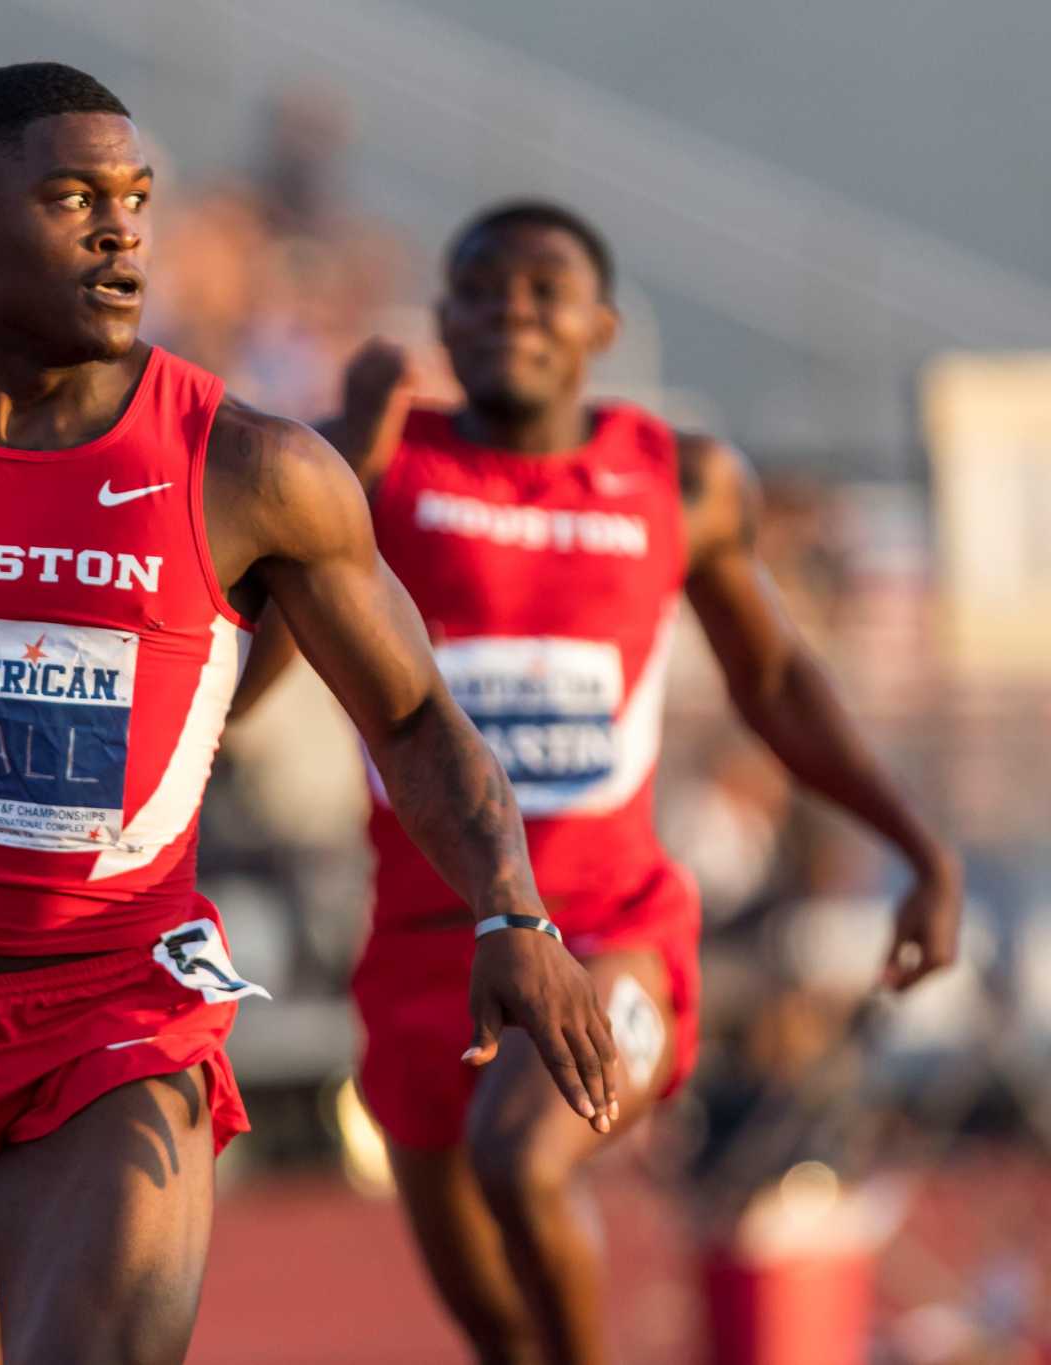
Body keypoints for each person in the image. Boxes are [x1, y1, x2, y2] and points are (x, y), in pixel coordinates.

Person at [0, 65, 621, 1365]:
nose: (124, 231)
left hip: (119, 1009)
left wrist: (511, 909)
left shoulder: (251, 466)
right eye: (74, 200)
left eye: (135, 198)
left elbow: (412, 718)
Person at [234, 200, 964, 1364]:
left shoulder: (679, 480)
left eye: (540, 291)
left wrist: (915, 847)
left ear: (600, 324)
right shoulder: (381, 464)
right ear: (440, 319)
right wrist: (344, 453)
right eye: (478, 290)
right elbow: (246, 690)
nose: (507, 311)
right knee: (496, 1330)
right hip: (424, 947)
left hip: (608, 933)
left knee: (520, 1157)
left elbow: (772, 677)